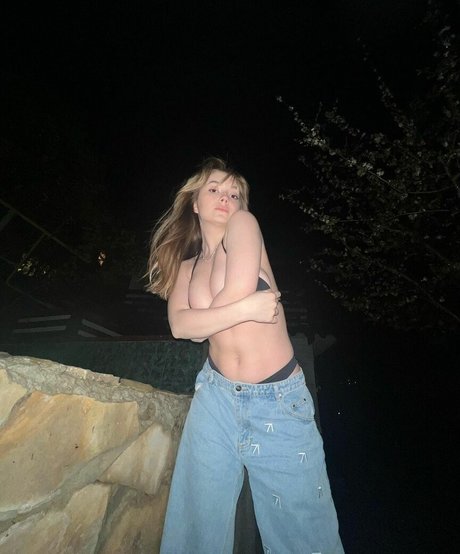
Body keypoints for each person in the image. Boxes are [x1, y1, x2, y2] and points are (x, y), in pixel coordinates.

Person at [147, 157, 344, 553]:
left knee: (303, 536)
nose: (226, 197)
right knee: (194, 528)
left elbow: (230, 292)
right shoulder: (186, 267)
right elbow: (180, 327)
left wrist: (210, 316)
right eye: (214, 189)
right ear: (195, 203)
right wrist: (247, 309)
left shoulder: (243, 226)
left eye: (234, 193)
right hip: (215, 397)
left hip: (277, 400)